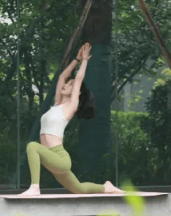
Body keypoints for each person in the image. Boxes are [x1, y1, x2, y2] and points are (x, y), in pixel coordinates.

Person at [21, 42, 123, 196]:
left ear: (76, 92)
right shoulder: (57, 104)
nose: (66, 84)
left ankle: (35, 187)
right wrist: (76, 59)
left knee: (32, 146)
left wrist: (85, 60)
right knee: (78, 189)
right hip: (50, 156)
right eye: (68, 83)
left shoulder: (70, 107)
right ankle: (106, 187)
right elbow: (62, 76)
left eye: (70, 84)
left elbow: (79, 79)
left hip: (59, 158)